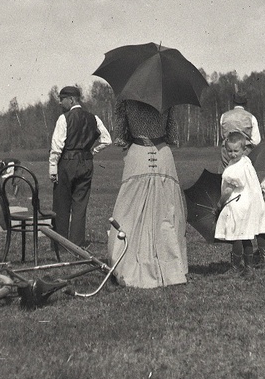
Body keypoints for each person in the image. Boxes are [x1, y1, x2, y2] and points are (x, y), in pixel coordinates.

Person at [109, 98, 187, 288]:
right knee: (167, 211)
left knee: (129, 212)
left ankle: (126, 263)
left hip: (138, 156)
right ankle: (171, 267)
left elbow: (120, 137)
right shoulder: (166, 98)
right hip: (162, 155)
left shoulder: (126, 99)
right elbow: (172, 135)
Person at [47, 86, 112, 247]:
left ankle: (60, 244)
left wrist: (52, 167)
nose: (61, 103)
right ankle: (77, 243)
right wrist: (93, 151)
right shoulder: (94, 118)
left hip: (67, 162)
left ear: (71, 99)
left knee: (61, 205)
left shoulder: (64, 118)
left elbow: (57, 147)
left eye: (62, 99)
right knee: (80, 205)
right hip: (86, 163)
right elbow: (107, 140)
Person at [215, 133, 265, 270]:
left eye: (236, 151)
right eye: (229, 151)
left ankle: (235, 266)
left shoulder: (234, 169)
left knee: (237, 236)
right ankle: (248, 267)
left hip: (238, 204)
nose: (232, 154)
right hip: (251, 203)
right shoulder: (246, 162)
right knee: (246, 236)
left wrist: (220, 203)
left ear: (243, 150)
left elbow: (228, 191)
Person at [219, 92, 261, 170]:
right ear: (245, 103)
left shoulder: (224, 116)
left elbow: (222, 135)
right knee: (243, 177)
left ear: (233, 102)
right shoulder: (251, 117)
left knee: (225, 175)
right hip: (244, 150)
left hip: (227, 150)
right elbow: (256, 141)